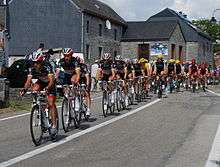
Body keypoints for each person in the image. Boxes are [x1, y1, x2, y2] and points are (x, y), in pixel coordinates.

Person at [20, 51, 58, 137]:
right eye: (33, 63)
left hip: (50, 84)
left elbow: (51, 80)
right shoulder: (32, 68)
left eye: (37, 63)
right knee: (34, 89)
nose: (35, 65)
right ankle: (39, 107)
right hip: (41, 82)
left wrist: (48, 88)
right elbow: (28, 81)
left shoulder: (47, 66)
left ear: (41, 62)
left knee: (51, 103)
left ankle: (54, 125)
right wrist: (24, 89)